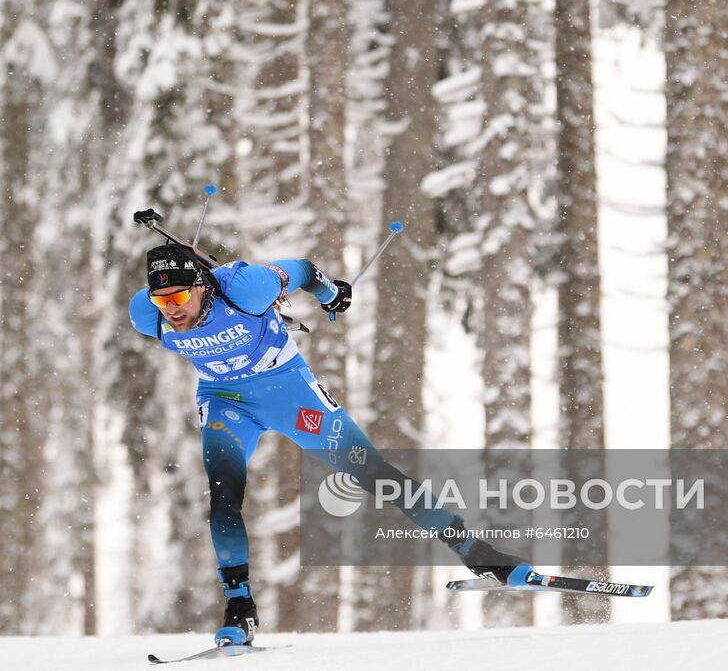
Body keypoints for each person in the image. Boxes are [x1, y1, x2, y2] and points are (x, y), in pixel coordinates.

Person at [128, 243, 532, 646]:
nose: (171, 310)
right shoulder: (146, 315)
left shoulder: (248, 288)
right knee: (224, 495)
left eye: (178, 297)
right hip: (225, 403)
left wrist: (330, 294)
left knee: (374, 473)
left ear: (201, 286)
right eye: (161, 300)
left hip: (290, 396)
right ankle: (240, 609)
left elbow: (302, 269)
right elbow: (163, 307)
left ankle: (479, 554)